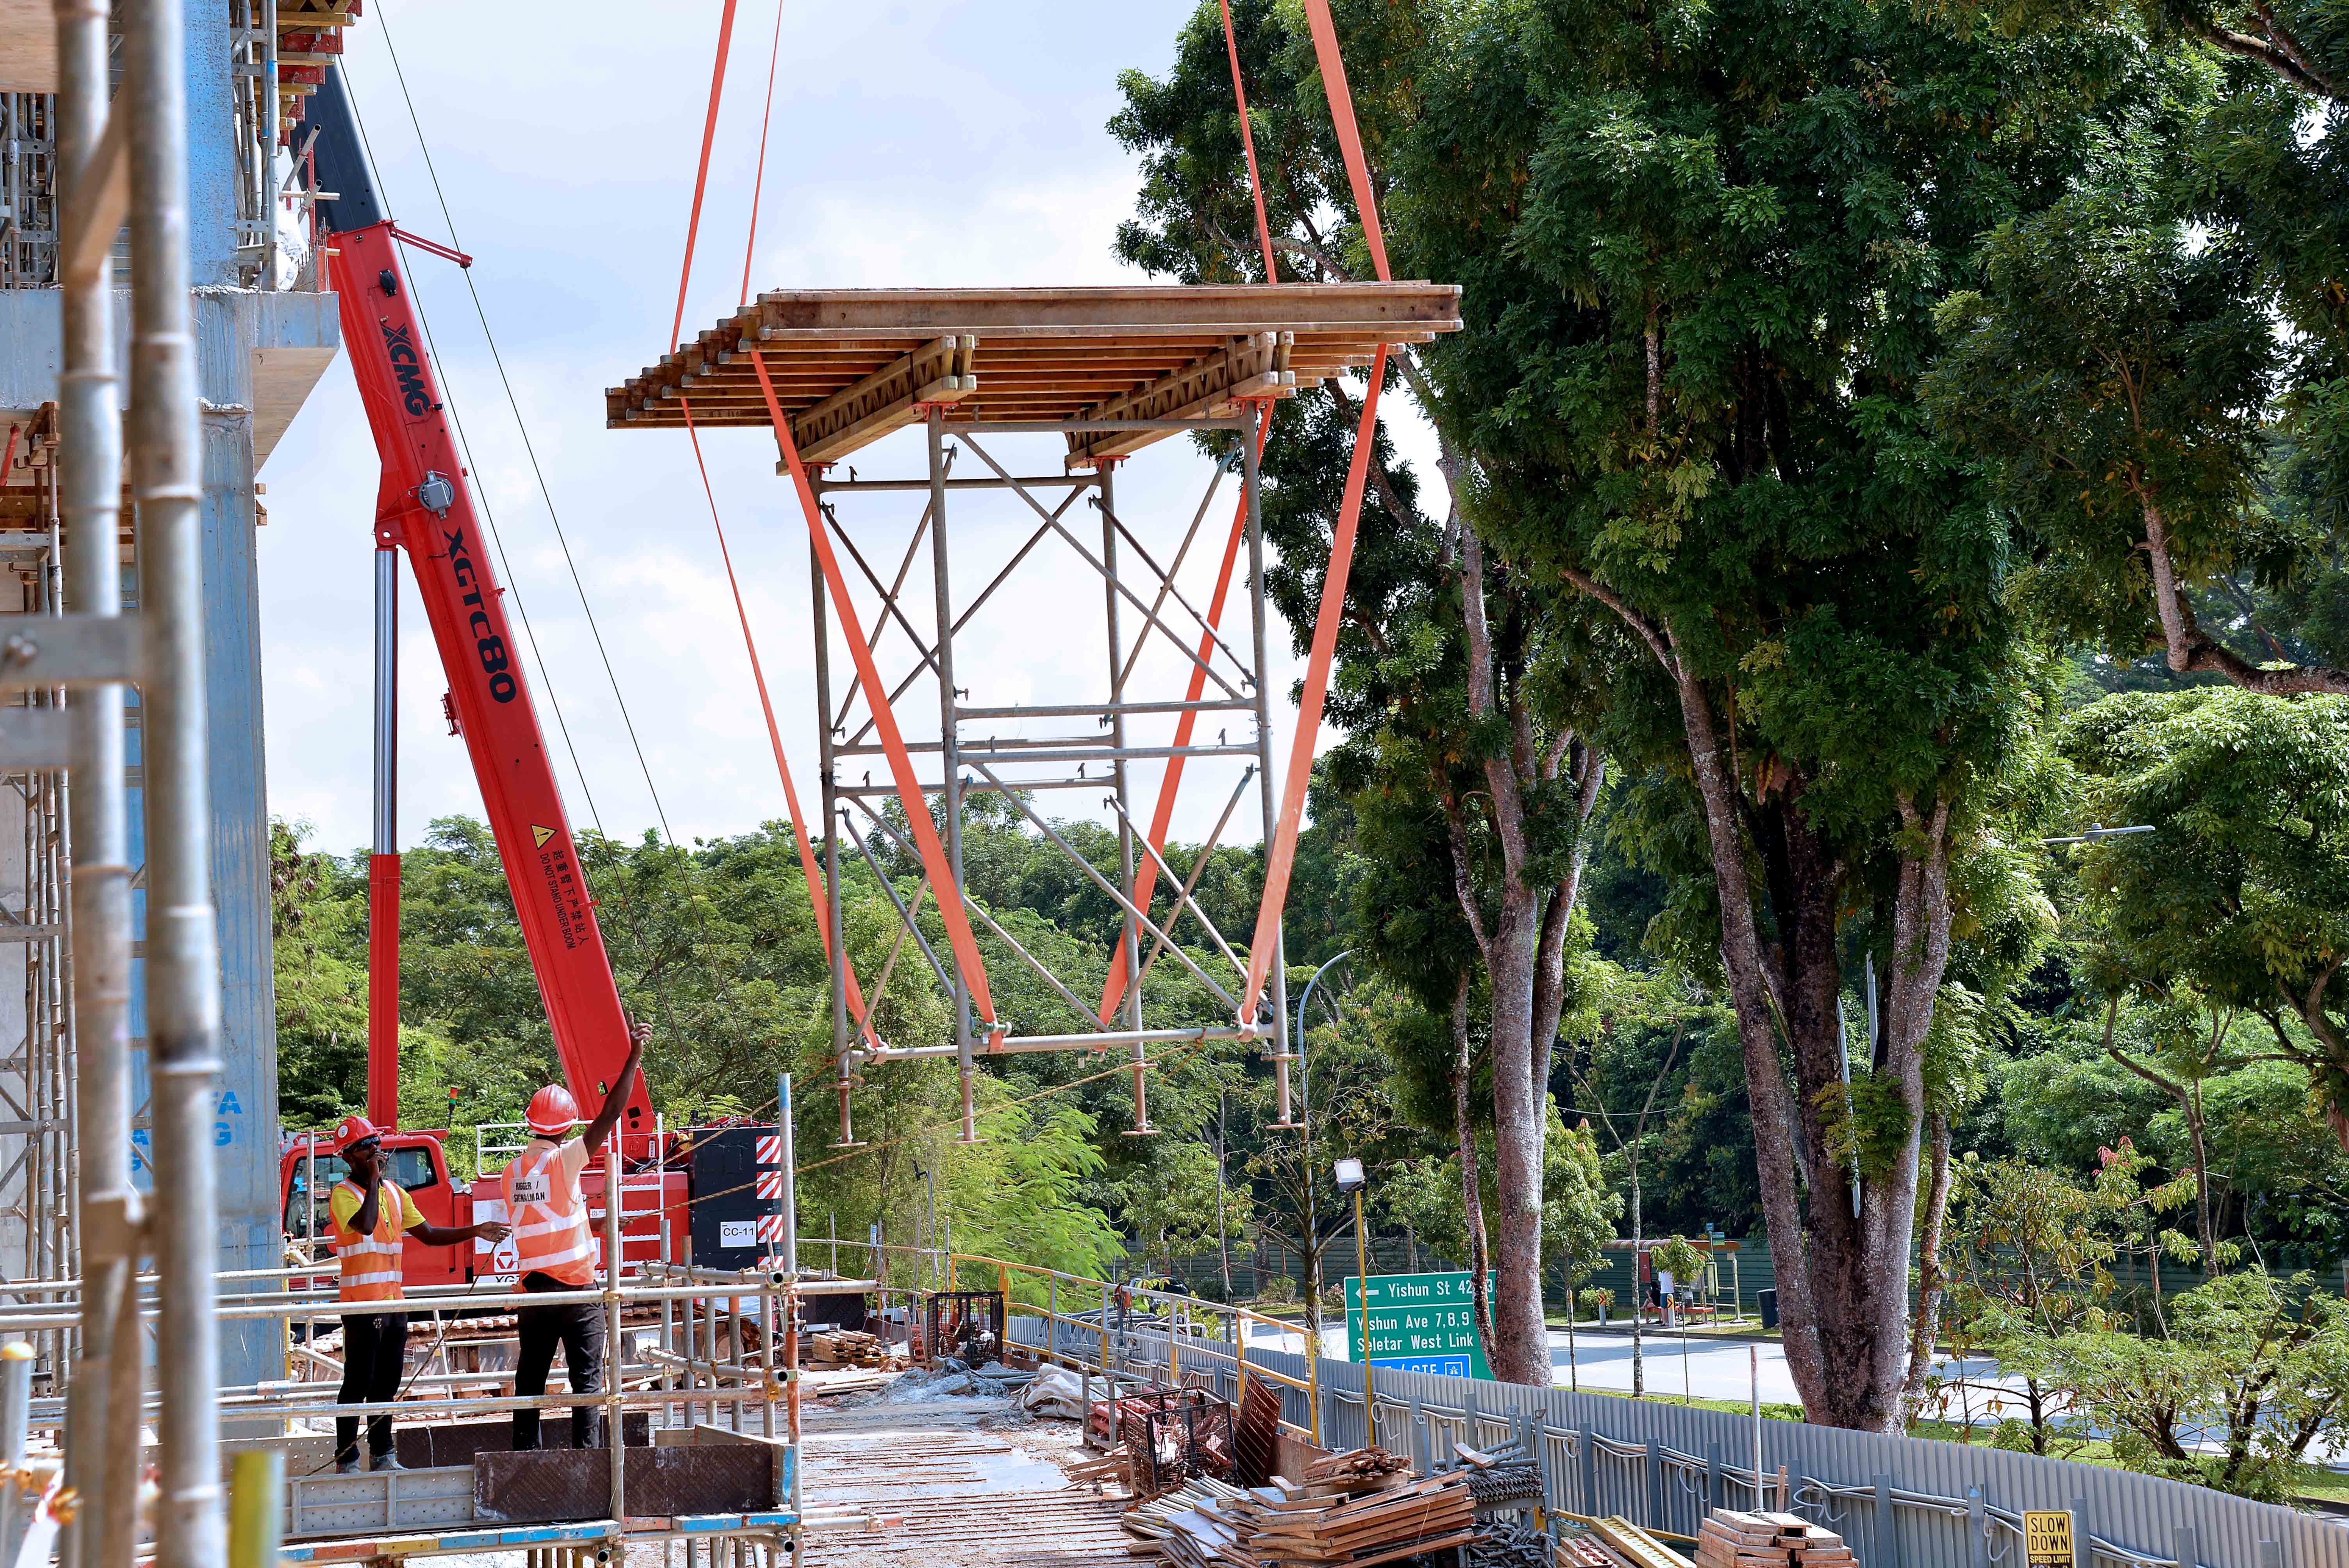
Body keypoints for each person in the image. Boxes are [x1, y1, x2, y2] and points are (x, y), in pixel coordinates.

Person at [326, 1114, 511, 1474]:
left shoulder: (394, 1194)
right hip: (362, 1308)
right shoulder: (343, 1195)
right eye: (365, 1149)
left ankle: (383, 1455)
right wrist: (375, 1183)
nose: (374, 1152)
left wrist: (476, 1231)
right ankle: (347, 1460)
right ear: (348, 1158)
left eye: (375, 1146)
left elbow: (428, 1234)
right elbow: (365, 1227)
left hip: (395, 1305)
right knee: (357, 1383)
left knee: (387, 1383)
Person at [504, 1022, 648, 1452]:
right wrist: (634, 1056)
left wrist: (597, 1226)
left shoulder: (513, 1171)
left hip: (534, 1291)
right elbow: (610, 1113)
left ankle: (524, 1457)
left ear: (532, 1123)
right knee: (586, 1381)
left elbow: (546, 1218)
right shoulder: (564, 1160)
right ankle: (586, 1462)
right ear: (567, 1127)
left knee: (529, 1379)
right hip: (576, 1290)